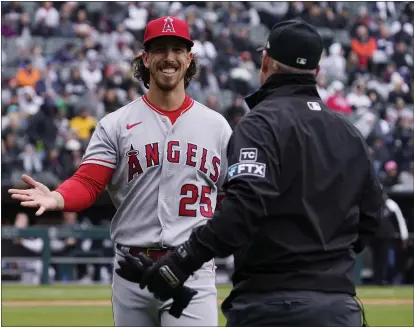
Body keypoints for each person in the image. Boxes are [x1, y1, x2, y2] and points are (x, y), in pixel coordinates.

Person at [130, 20, 385, 327]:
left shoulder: (259, 125)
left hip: (268, 305)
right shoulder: (349, 133)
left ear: (266, 62)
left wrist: (180, 262)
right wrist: (328, 260)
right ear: (316, 72)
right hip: (337, 306)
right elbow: (372, 216)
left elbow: (242, 212)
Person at [9, 16, 232, 327]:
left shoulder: (217, 126)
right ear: (145, 58)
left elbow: (230, 197)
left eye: (177, 49)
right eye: (159, 49)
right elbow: (88, 181)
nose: (169, 57)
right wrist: (59, 197)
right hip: (133, 270)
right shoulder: (117, 123)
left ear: (189, 58)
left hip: (190, 267)